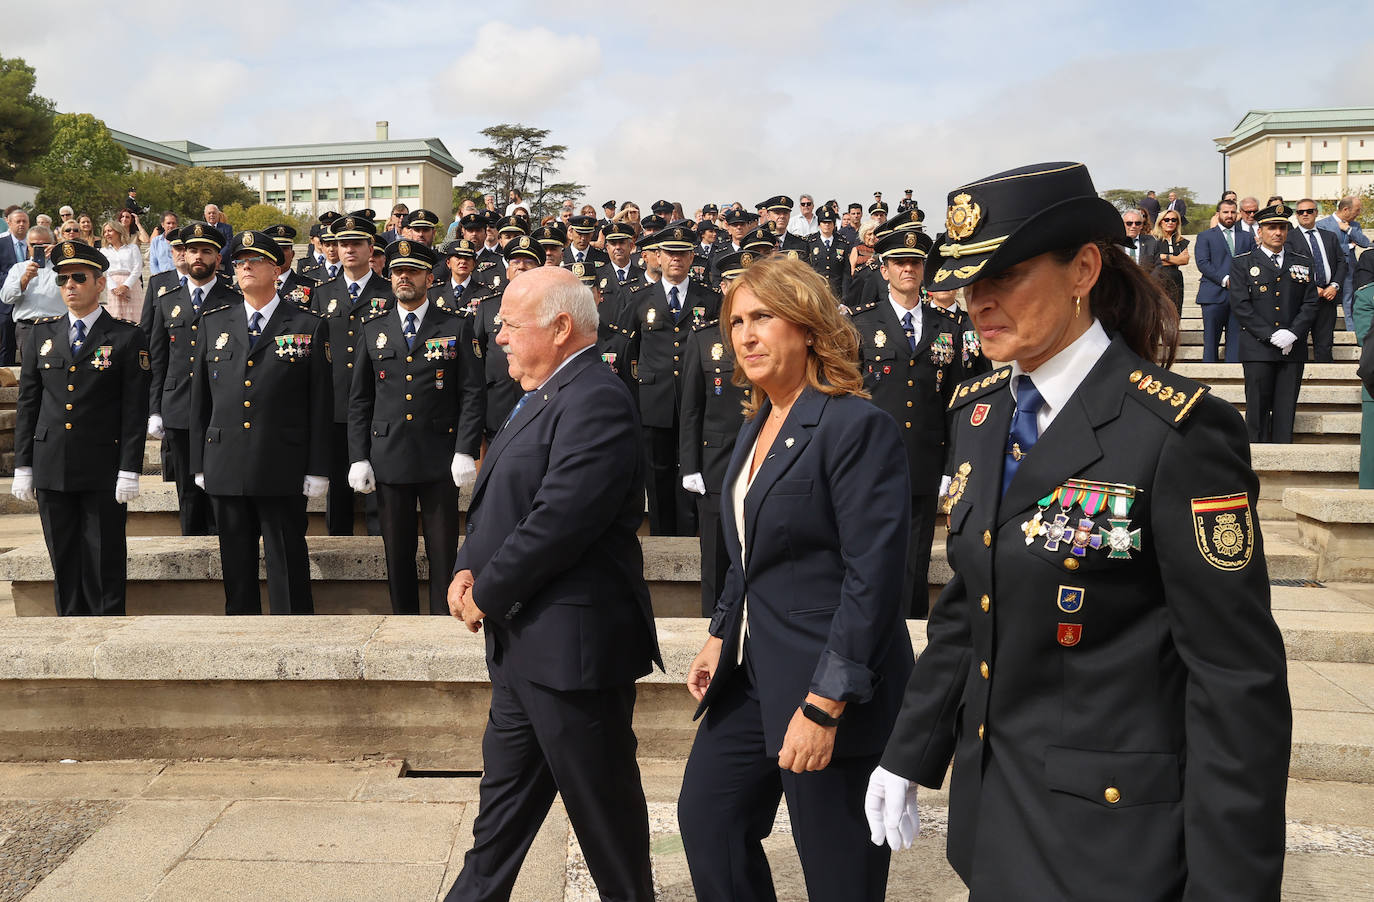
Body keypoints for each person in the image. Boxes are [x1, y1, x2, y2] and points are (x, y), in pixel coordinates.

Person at [867, 162, 1291, 900]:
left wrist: (1232, 889)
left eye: (1005, 274)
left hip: (1114, 842)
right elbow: (971, 606)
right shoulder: (980, 411)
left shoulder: (1174, 432)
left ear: (1083, 269)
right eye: (969, 281)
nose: (980, 302)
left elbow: (1235, 682)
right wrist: (911, 753)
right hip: (995, 820)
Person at [677, 255, 912, 901]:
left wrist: (824, 704)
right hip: (753, 680)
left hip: (827, 688)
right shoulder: (757, 425)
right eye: (736, 322)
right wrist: (722, 633)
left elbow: (875, 580)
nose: (744, 336)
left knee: (838, 874)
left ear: (807, 326)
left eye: (762, 318)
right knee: (708, 819)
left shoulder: (855, 427)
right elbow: (753, 559)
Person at [443, 266, 660, 902]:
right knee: (500, 821)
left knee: (607, 824)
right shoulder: (543, 391)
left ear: (561, 327)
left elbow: (560, 519)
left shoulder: (594, 396)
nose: (500, 338)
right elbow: (501, 502)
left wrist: (485, 590)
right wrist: (466, 564)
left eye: (510, 324)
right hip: (524, 648)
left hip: (573, 658)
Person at [850, 223, 989, 618]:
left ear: (924, 269)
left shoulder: (950, 329)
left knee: (914, 560)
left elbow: (959, 401)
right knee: (870, 553)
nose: (907, 269)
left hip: (926, 463)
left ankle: (908, 633)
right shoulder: (861, 324)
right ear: (884, 269)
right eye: (899, 262)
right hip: (871, 461)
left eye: (914, 262)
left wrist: (951, 465)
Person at [190, 231, 332, 615]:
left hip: (281, 464)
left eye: (254, 260)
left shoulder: (307, 324)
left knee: (286, 560)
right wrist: (199, 463)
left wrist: (318, 467)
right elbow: (199, 402)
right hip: (226, 462)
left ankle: (294, 634)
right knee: (236, 566)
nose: (245, 267)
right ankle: (241, 636)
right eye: (239, 262)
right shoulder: (214, 324)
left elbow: (320, 403)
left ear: (276, 268)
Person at [11, 239, 150, 615]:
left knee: (104, 557)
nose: (69, 285)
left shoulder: (125, 336)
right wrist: (23, 465)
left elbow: (134, 409)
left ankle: (107, 630)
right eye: (62, 279)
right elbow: (29, 404)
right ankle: (69, 629)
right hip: (51, 462)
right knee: (64, 557)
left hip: (102, 465)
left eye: (78, 277)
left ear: (99, 283)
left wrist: (129, 468)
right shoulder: (42, 334)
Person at [348, 239, 483, 615]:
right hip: (389, 457)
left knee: (443, 554)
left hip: (440, 458)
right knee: (397, 554)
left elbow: (472, 393)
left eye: (411, 271)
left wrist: (465, 449)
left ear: (429, 277)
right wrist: (358, 456)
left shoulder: (455, 326)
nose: (403, 277)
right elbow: (360, 399)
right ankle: (403, 622)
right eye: (396, 271)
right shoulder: (373, 328)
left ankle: (443, 622)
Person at [623, 223, 722, 536]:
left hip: (698, 402)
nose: (676, 259)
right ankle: (663, 539)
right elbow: (626, 354)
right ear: (657, 256)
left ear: (693, 257)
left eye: (682, 253)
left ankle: (693, 539)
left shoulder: (710, 298)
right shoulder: (639, 299)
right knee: (658, 475)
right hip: (655, 402)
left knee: (694, 472)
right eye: (669, 253)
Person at [147, 222, 240, 536]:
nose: (198, 256)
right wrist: (155, 409)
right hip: (180, 405)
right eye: (192, 250)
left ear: (217, 258)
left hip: (219, 408)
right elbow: (157, 360)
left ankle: (222, 548)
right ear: (183, 254)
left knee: (220, 484)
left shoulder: (234, 300)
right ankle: (192, 542)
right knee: (187, 488)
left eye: (206, 251)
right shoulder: (166, 300)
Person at [678, 250, 754, 616]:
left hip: (762, 457)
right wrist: (690, 466)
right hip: (716, 465)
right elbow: (691, 408)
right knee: (715, 561)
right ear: (722, 287)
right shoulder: (704, 337)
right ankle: (714, 629)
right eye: (733, 282)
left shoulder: (771, 333)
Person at [309, 212, 392, 536]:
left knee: (378, 496)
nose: (349, 249)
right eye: (343, 243)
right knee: (338, 496)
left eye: (356, 243)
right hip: (335, 405)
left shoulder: (386, 292)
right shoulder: (323, 293)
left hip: (378, 405)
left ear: (371, 247)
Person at [1231, 202, 1319, 443]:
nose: (1277, 232)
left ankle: (1284, 457)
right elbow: (1241, 306)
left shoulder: (1303, 262)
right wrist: (1270, 335)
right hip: (1258, 349)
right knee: (1257, 409)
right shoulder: (1243, 263)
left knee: (1286, 409)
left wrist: (1293, 333)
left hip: (1293, 348)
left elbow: (1311, 303)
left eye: (1282, 227)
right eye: (1271, 227)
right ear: (1260, 231)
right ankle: (1257, 462)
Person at [1194, 199, 1253, 362]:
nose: (1229, 215)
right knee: (1211, 340)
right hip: (1213, 295)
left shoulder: (1247, 237)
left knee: (1236, 340)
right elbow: (1203, 263)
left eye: (1233, 212)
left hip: (1239, 296)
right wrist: (1225, 279)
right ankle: (1209, 378)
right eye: (1225, 212)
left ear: (1238, 214)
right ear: (1218, 214)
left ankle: (1233, 376)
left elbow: (1253, 262)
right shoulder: (1205, 236)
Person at [1287, 198, 1346, 362]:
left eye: (1309, 211)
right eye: (1300, 212)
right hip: (1302, 299)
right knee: (1298, 343)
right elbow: (1289, 267)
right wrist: (1312, 287)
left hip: (1328, 297)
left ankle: (1327, 383)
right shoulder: (1289, 238)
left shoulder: (1330, 236)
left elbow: (1341, 262)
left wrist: (1334, 285)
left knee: (1325, 344)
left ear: (1316, 213)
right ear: (1296, 215)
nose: (1305, 214)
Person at [3, 225, 68, 360]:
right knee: (29, 373)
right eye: (34, 245)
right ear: (27, 246)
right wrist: (25, 279)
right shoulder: (19, 268)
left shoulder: (63, 267)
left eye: (44, 245)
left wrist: (60, 254)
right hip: (27, 328)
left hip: (56, 325)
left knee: (56, 370)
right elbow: (6, 298)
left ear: (52, 245)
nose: (40, 248)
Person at [1317, 195, 1371, 328]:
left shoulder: (1354, 226)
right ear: (1346, 209)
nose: (1359, 214)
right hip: (1329, 270)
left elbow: (1365, 243)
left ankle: (1351, 330)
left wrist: (1348, 229)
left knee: (1349, 300)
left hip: (1349, 270)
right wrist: (1350, 246)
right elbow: (1325, 248)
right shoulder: (1322, 225)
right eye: (1357, 210)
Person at [99, 219, 142, 322]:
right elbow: (103, 271)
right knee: (113, 319)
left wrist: (125, 286)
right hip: (111, 288)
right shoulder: (103, 251)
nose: (107, 234)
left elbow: (137, 268)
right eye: (105, 232)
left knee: (133, 319)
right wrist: (114, 288)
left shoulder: (132, 248)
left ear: (118, 231)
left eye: (110, 231)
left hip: (131, 286)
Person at [1152, 207, 1190, 317]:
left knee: (1175, 312)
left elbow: (1184, 260)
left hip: (1176, 278)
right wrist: (1175, 259)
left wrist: (1164, 257)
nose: (1170, 222)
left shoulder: (1180, 240)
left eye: (1174, 220)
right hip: (1157, 276)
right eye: (1167, 220)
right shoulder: (1152, 239)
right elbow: (1152, 261)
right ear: (1160, 222)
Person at [807, 206, 852, 298]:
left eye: (829, 222)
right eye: (824, 222)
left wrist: (845, 297)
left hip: (836, 294)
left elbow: (846, 273)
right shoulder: (810, 242)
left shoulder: (842, 243)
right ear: (819, 225)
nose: (827, 225)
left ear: (834, 224)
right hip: (817, 292)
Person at [1122, 209, 1158, 273]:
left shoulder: (1151, 242)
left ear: (1141, 225)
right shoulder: (1115, 243)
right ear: (1122, 224)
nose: (1133, 226)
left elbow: (1158, 266)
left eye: (1137, 223)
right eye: (1129, 223)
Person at [147, 211, 180, 276]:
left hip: (178, 278)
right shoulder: (156, 241)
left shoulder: (181, 241)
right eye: (168, 223)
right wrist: (159, 278)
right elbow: (153, 263)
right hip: (161, 277)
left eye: (173, 223)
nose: (171, 226)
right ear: (162, 225)